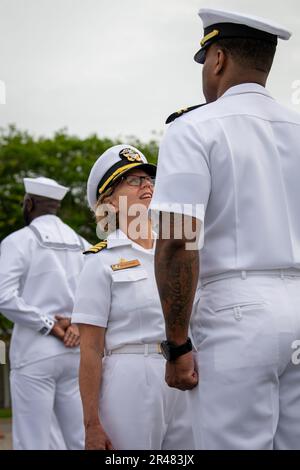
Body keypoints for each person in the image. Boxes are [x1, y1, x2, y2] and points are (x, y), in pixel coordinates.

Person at [151, 8, 300, 450]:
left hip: (236, 312)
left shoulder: (194, 128)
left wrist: (177, 345)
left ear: (218, 58)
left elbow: (178, 240)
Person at [72, 144, 195, 450]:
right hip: (130, 375)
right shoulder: (99, 260)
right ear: (110, 202)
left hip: (184, 369)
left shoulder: (180, 251)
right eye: (134, 180)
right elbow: (89, 348)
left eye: (150, 179)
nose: (147, 186)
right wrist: (91, 424)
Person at [0, 176, 89, 450]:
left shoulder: (19, 241)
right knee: (78, 439)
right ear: (56, 207)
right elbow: (98, 298)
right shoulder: (84, 243)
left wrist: (49, 323)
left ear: (29, 204)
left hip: (34, 353)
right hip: (76, 351)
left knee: (34, 441)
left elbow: (4, 296)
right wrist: (74, 323)